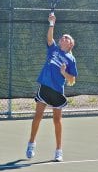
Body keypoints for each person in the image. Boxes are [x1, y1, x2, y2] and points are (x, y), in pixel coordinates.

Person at [26, 13, 78, 162]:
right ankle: (31, 143)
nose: (64, 38)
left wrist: (64, 72)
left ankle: (59, 150)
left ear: (70, 44)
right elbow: (49, 39)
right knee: (38, 116)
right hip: (45, 87)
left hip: (57, 91)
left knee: (57, 121)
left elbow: (72, 80)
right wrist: (51, 23)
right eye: (63, 37)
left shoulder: (71, 59)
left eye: (67, 38)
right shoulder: (54, 49)